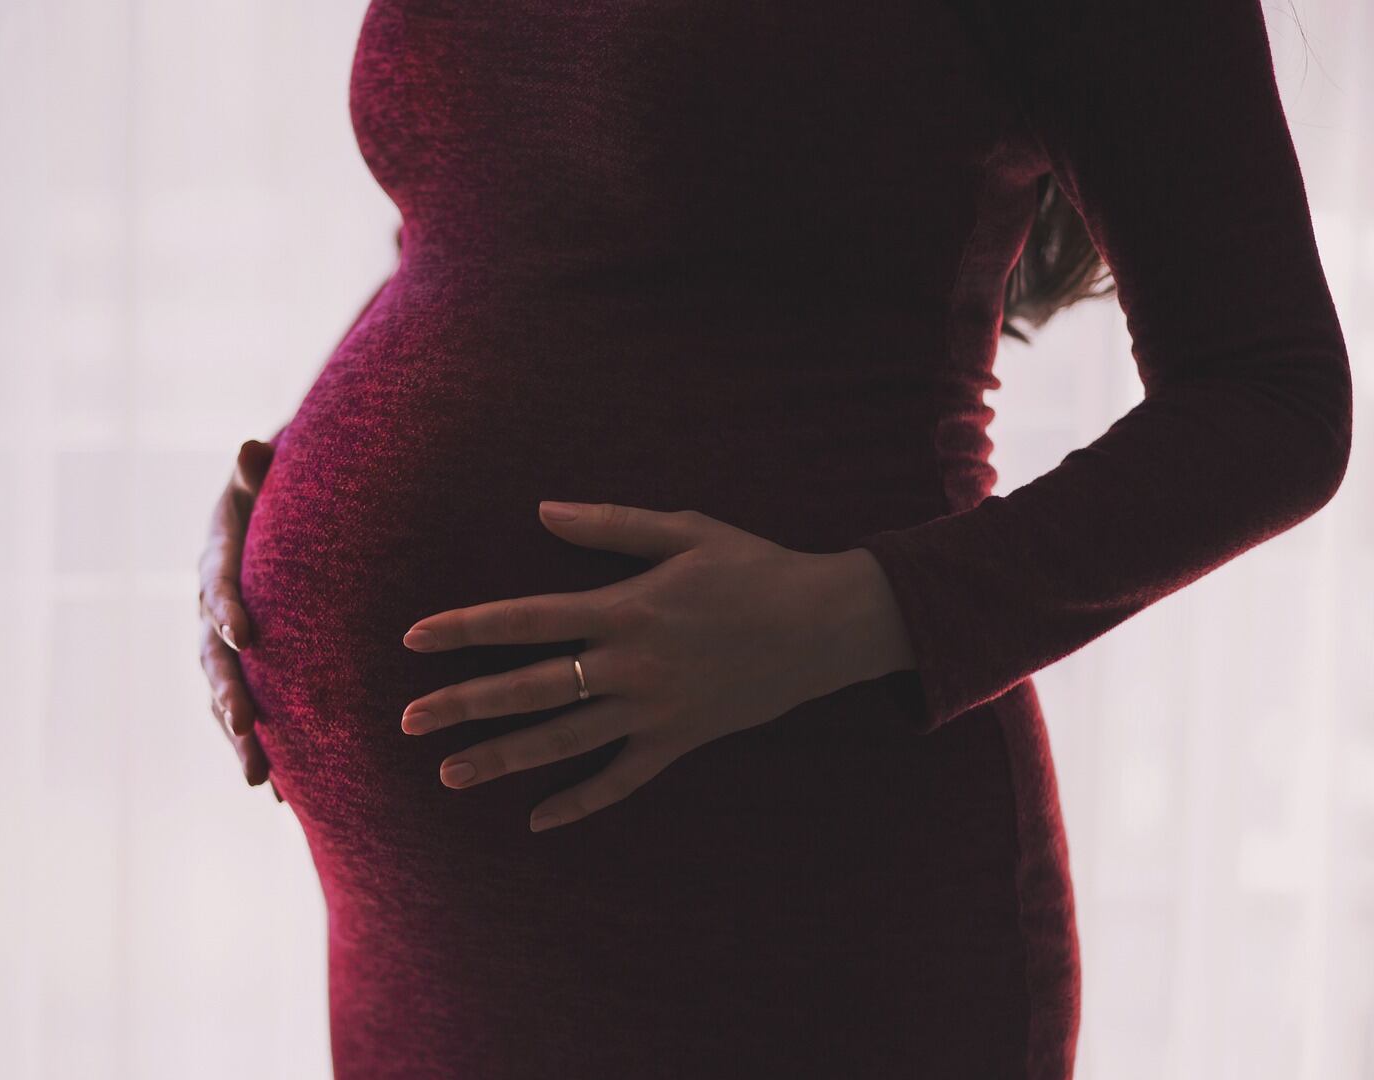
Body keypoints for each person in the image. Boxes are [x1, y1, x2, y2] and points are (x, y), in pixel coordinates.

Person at [195, 0, 1353, 1076]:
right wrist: (288, 481)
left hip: (782, 889)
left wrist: (850, 613)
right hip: (424, 947)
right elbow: (478, 236)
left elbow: (1275, 400)